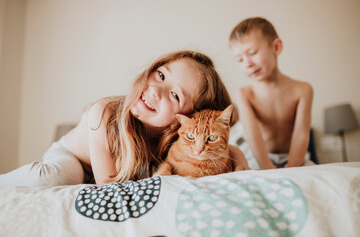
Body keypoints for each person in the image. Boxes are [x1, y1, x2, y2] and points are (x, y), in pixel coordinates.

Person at [0, 50, 249, 187]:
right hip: (75, 158)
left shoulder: (177, 136)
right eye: (161, 75)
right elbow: (107, 186)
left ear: (184, 122)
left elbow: (209, 141)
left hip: (114, 170)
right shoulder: (103, 112)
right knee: (55, 178)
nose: (155, 90)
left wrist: (235, 153)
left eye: (174, 95)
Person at [228, 17, 314, 170]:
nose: (247, 63)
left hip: (296, 158)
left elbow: (301, 135)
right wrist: (268, 169)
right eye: (239, 59)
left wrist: (292, 169)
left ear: (276, 47)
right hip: (261, 159)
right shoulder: (245, 94)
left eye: (253, 53)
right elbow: (254, 137)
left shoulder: (303, 90)